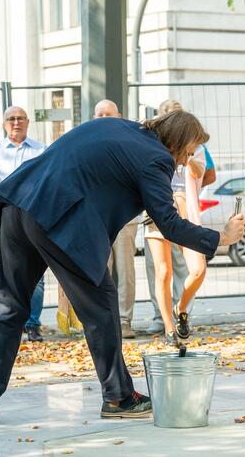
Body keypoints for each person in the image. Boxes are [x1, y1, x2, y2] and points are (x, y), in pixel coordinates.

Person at [0, 110, 245, 421]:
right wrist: (221, 236)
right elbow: (170, 225)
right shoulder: (157, 158)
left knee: (10, 304)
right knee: (100, 305)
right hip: (59, 219)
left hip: (19, 204)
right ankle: (118, 396)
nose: (184, 161)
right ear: (178, 141)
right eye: (188, 151)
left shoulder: (114, 125)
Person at [145, 99, 209, 344]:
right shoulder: (154, 146)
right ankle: (169, 327)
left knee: (198, 269)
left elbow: (198, 172)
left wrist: (186, 153)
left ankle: (180, 308)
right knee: (163, 271)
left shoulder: (195, 146)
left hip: (185, 205)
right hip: (157, 204)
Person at [0, 106, 47, 342]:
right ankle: (12, 322)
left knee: (37, 273)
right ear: (3, 123)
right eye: (11, 118)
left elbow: (43, 180)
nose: (16, 122)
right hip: (6, 215)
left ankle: (32, 324)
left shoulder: (41, 150)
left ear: (28, 122)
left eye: (20, 118)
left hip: (33, 215)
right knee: (9, 270)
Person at [94, 99, 138, 339]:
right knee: (100, 269)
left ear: (119, 116)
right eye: (98, 115)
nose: (103, 118)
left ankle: (124, 320)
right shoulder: (86, 142)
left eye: (107, 114)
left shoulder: (129, 141)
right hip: (95, 218)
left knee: (125, 270)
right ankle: (103, 320)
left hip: (124, 217)